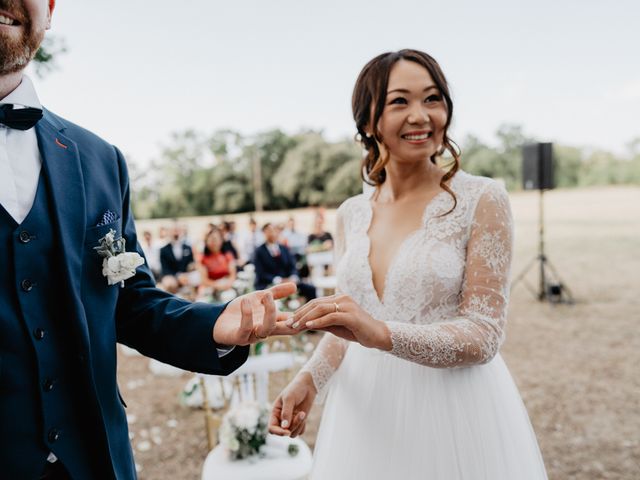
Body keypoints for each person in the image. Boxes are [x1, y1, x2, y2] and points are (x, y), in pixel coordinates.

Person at [0, 3, 296, 478]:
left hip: (94, 462)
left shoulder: (99, 159)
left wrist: (215, 325)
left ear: (50, 9)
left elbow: (127, 302)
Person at [269, 49, 548, 479]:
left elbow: (484, 333)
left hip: (452, 410)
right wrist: (309, 378)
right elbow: (349, 326)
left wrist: (382, 334)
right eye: (400, 101)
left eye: (432, 99)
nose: (420, 116)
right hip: (364, 411)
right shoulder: (350, 214)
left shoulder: (482, 198)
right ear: (368, 121)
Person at [254, 223, 317, 302]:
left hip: (288, 281)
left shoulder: (284, 248)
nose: (273, 233)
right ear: (264, 233)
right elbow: (261, 273)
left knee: (311, 289)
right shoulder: (259, 251)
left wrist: (293, 276)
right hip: (269, 284)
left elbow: (292, 265)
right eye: (269, 231)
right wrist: (278, 280)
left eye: (274, 230)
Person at [198, 226, 237, 294]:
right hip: (210, 287)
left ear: (221, 240)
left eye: (216, 239)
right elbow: (204, 280)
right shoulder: (202, 258)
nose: (213, 242)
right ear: (206, 241)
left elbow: (233, 275)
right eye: (211, 239)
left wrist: (228, 284)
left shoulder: (228, 255)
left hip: (226, 285)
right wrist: (217, 285)